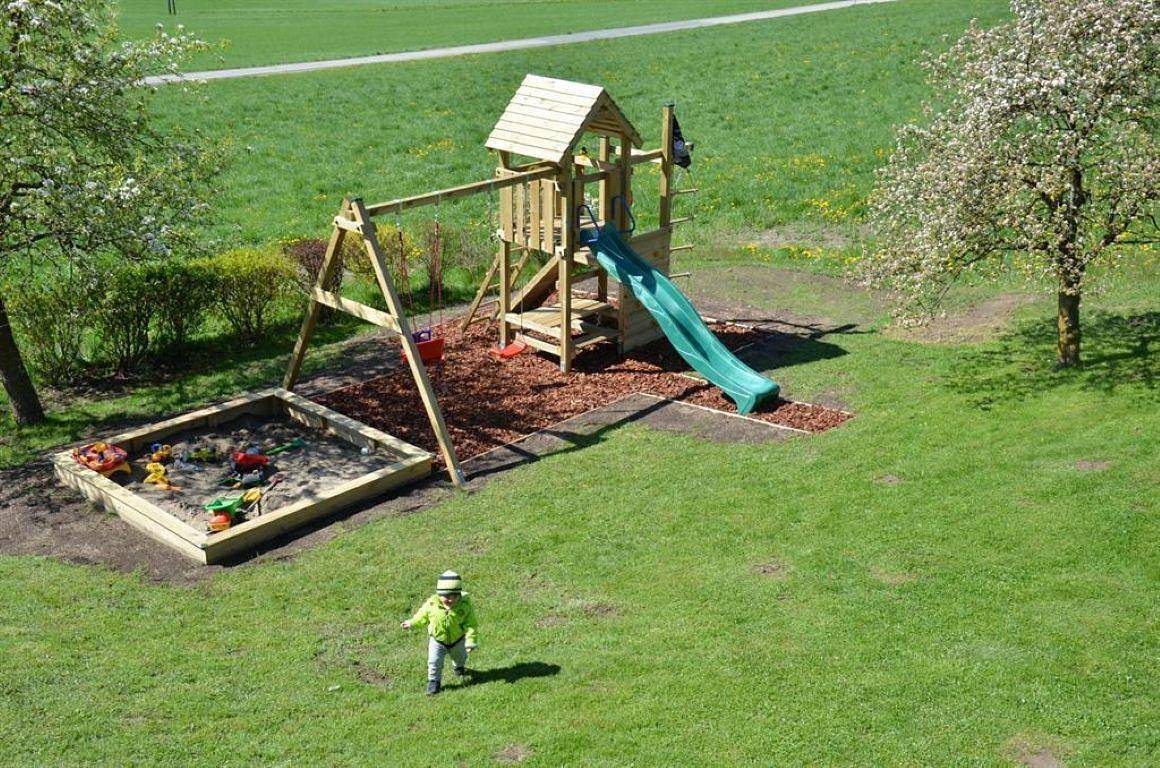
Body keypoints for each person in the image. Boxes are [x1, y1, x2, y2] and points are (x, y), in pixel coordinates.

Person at [401, 570, 479, 695]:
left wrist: (470, 641)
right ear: (439, 593)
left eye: (454, 596)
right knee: (434, 662)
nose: (450, 599)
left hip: (458, 640)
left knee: (460, 657)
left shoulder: (464, 606)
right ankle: (433, 682)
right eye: (446, 596)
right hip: (437, 641)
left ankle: (459, 667)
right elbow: (422, 616)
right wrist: (412, 623)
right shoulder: (432, 604)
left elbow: (471, 625)